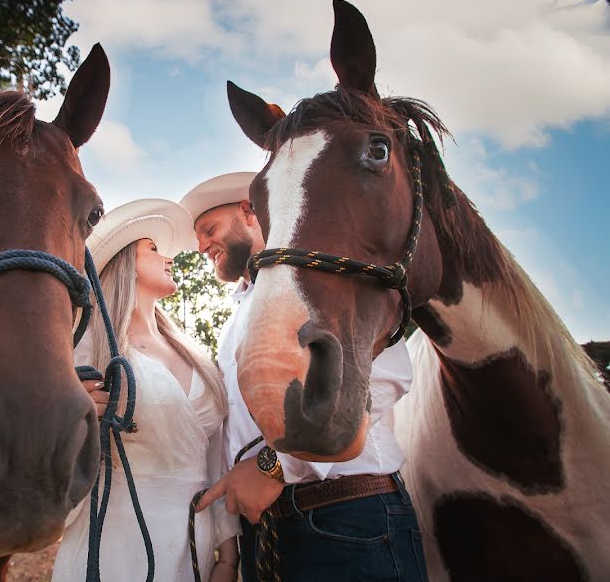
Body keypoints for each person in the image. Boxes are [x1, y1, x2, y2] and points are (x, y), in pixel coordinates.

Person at [183, 173, 429, 581]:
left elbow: (384, 377)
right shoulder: (232, 324)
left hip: (342, 518)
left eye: (208, 230)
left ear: (249, 212)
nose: (200, 246)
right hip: (265, 530)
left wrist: (274, 467)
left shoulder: (325, 272)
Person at [52, 199, 241, 582]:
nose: (168, 258)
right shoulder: (93, 346)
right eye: (153, 249)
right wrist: (73, 416)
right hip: (118, 539)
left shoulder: (195, 353)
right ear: (125, 264)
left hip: (196, 543)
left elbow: (215, 457)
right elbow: (52, 451)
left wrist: (228, 553)